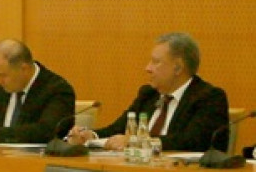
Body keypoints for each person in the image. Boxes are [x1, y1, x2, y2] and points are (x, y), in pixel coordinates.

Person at [66, 32, 230, 152]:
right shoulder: (148, 95)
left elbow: (193, 141)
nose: (148, 68)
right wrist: (90, 136)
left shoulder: (209, 98)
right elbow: (118, 129)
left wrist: (137, 142)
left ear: (178, 67)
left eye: (156, 62)